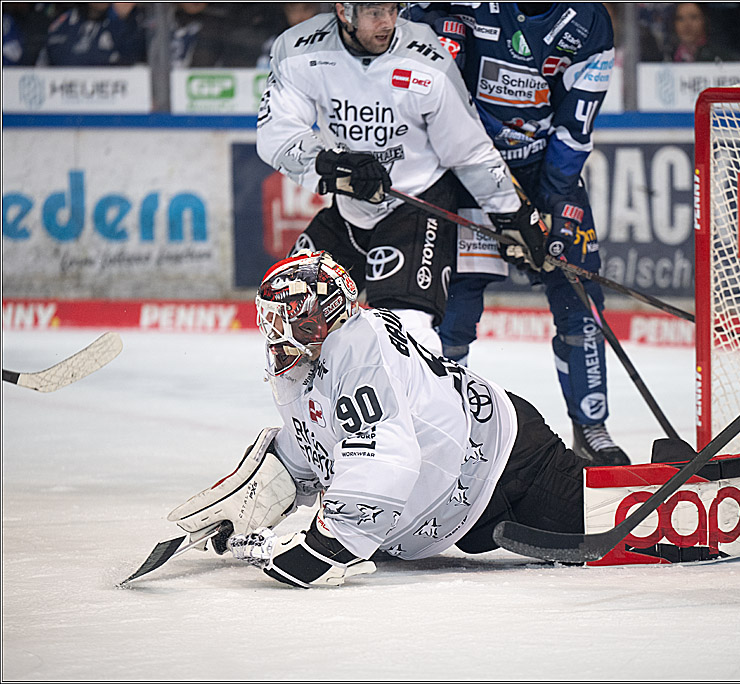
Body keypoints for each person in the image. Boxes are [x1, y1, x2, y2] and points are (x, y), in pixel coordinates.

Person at [167, 250, 589, 587]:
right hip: (452, 505)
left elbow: (382, 453)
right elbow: (311, 441)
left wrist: (328, 546)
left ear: (327, 315)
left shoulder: (357, 347)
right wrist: (260, 491)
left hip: (512, 463)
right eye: (271, 318)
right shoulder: (303, 359)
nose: (276, 332)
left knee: (610, 521)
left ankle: (651, 488)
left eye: (290, 317)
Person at [256, 2, 550, 356]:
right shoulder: (300, 50)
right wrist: (334, 166)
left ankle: (421, 408)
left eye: (394, 9)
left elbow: (468, 151)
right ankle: (317, 408)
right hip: (350, 209)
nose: (388, 22)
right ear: (344, 12)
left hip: (417, 203)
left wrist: (514, 216)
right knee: (294, 310)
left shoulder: (427, 59)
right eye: (375, 13)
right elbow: (277, 134)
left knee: (404, 328)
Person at [413, 3, 631, 466]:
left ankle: (591, 427)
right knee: (456, 305)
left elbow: (575, 129)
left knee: (580, 295)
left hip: (544, 174)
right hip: (467, 170)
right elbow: (425, 70)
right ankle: (449, 429)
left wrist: (553, 204)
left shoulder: (589, 22)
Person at [41, 2, 147, 66]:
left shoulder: (131, 20)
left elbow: (133, 57)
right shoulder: (66, 21)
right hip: (70, 93)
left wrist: (121, 20)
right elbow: (57, 59)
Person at [664, 2, 740, 64]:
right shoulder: (667, 55)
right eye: (680, 18)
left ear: (704, 20)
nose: (687, 25)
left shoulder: (720, 56)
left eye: (693, 17)